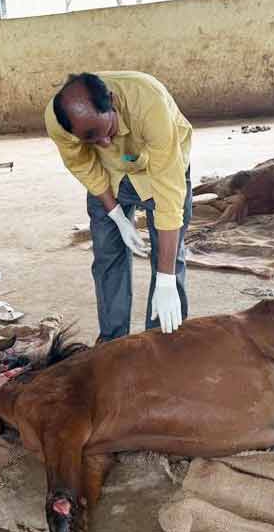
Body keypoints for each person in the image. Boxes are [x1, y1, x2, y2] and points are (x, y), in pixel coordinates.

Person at [45, 72, 191, 343]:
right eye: (92, 140)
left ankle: (162, 343)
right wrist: (117, 215)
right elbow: (82, 165)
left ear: (112, 102)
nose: (105, 143)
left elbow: (169, 199)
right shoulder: (58, 121)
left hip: (158, 168)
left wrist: (166, 278)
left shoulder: (149, 105)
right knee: (107, 255)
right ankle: (113, 342)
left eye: (108, 131)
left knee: (168, 254)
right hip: (109, 174)